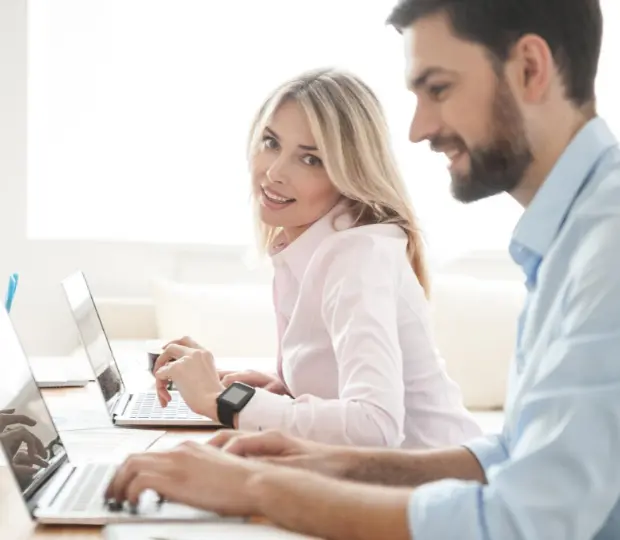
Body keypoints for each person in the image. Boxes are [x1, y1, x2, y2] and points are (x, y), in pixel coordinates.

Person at [106, 0, 620, 537]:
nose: (418, 130)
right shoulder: (570, 238)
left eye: (439, 88)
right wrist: (321, 457)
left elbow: (523, 522)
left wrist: (252, 482)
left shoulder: (606, 251)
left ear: (530, 69)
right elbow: (517, 454)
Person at [151, 68, 480, 449]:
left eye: (310, 160)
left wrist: (223, 401)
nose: (273, 172)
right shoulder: (315, 249)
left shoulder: (357, 257)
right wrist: (282, 393)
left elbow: (376, 426)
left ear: (349, 173)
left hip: (434, 490)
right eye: (271, 142)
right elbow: (352, 399)